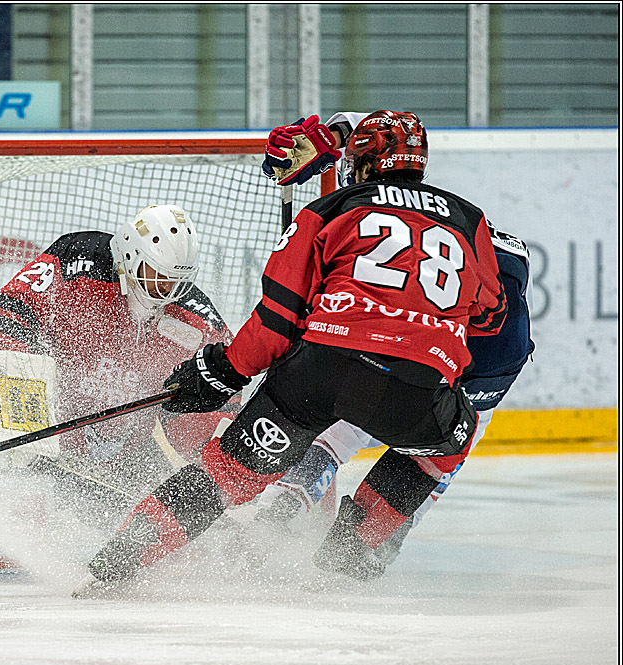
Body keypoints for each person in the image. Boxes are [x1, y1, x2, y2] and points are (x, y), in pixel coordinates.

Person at [75, 111, 508, 595]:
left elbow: (277, 320)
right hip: (413, 386)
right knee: (445, 447)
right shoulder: (471, 221)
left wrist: (220, 372)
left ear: (363, 163)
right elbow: (491, 317)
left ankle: (116, 562)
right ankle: (348, 554)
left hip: (318, 375)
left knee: (225, 472)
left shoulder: (329, 209)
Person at [254, 112, 536, 567]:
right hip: (495, 348)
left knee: (342, 424)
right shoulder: (445, 208)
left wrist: (331, 137)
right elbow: (390, 129)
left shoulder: (366, 208)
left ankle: (286, 514)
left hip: (445, 344)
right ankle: (364, 547)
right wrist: (336, 135)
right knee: (428, 457)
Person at [0, 204, 236, 520]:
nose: (167, 291)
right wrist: (9, 406)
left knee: (188, 499)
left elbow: (218, 400)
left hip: (124, 460)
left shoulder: (197, 319)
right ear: (131, 256)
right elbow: (6, 312)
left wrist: (229, 467)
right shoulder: (79, 260)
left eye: (176, 282)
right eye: (157, 276)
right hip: (41, 434)